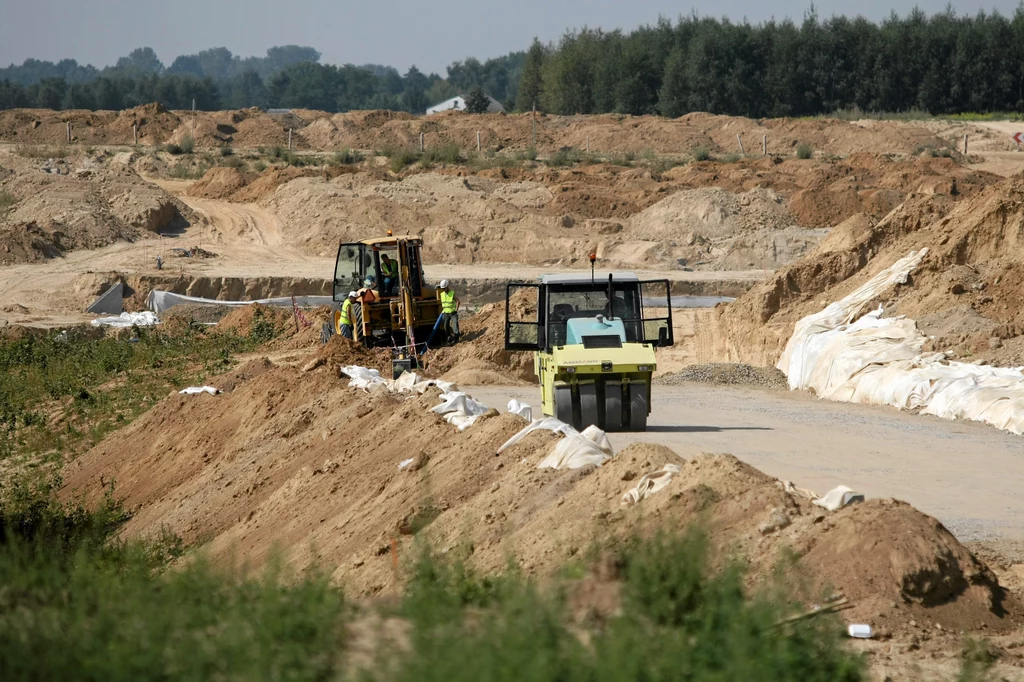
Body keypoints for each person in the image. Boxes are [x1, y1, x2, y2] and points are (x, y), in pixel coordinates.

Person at [438, 279, 460, 344]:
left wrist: (456, 310)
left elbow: (458, 301)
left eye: (444, 288)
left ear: (447, 287)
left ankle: (456, 338)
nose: (443, 290)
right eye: (442, 289)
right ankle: (449, 338)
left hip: (453, 313)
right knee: (445, 327)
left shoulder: (452, 293)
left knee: (455, 325)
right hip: (446, 313)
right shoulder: (442, 294)